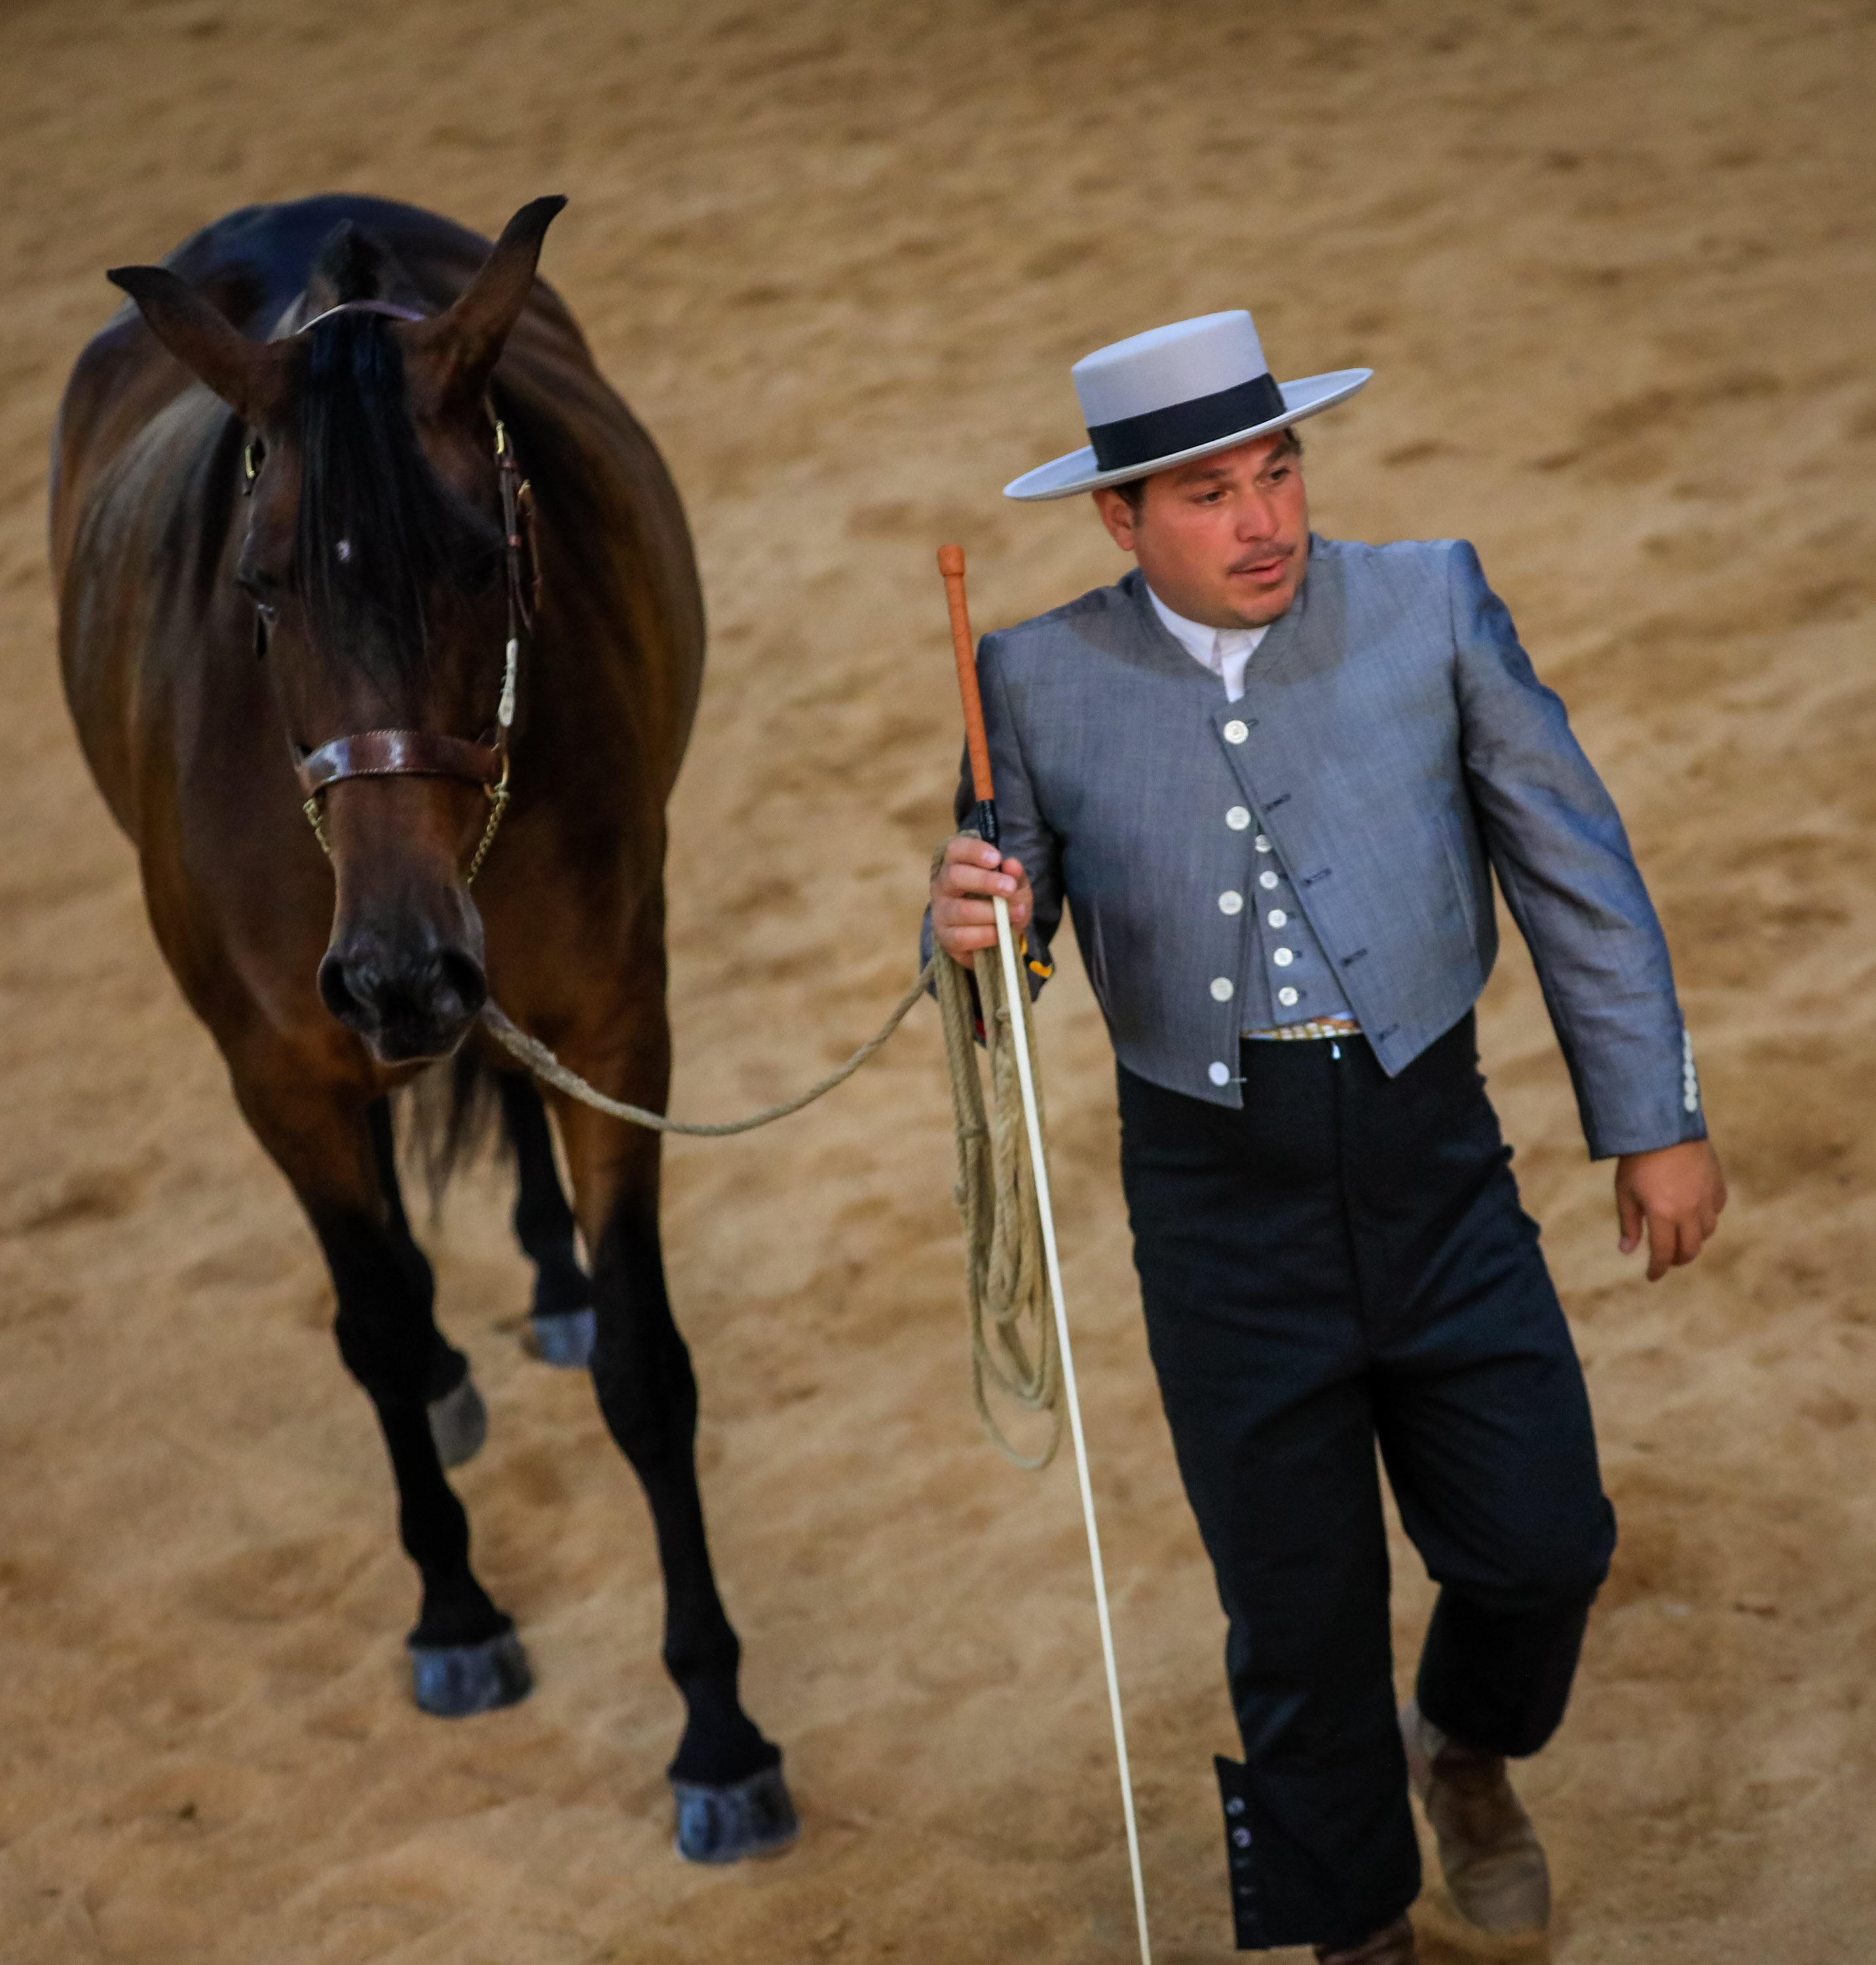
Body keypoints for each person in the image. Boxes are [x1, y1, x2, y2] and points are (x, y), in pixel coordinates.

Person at [926, 311, 1727, 1962]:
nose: (1263, 520)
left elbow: (1575, 868)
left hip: (1436, 1161)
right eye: (1208, 493)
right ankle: (1357, 1931)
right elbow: (1000, 969)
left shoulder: (1428, 600)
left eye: (1277, 470)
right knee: (1295, 1626)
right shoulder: (1031, 677)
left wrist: (1652, 1119)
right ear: (1119, 520)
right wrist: (960, 937)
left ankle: (1467, 1747)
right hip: (1216, 1211)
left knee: (1543, 1542)